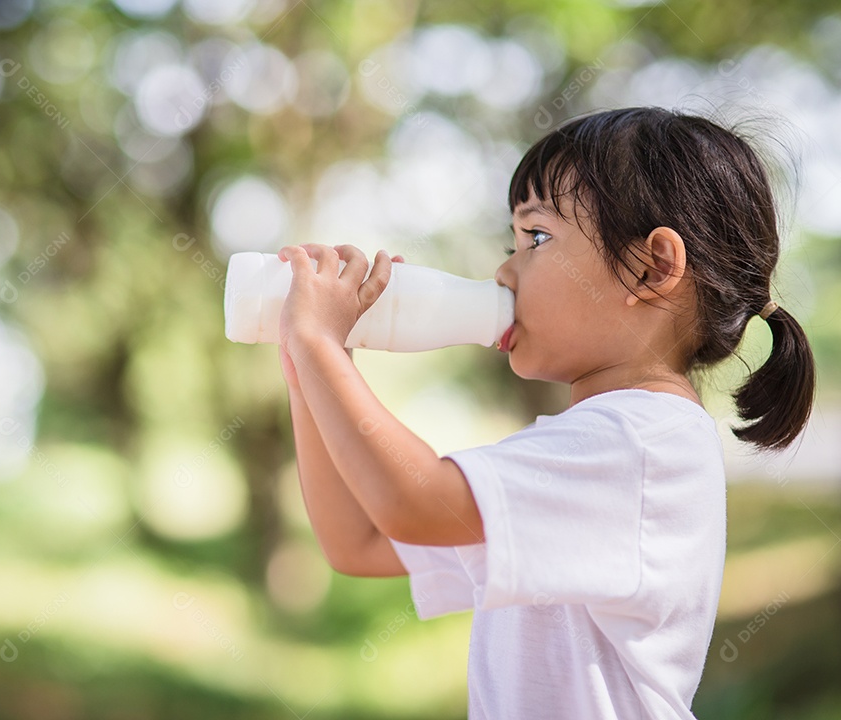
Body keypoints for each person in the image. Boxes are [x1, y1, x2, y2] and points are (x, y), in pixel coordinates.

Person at [276, 107, 816, 719]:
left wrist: (322, 348)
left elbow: (415, 503)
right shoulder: (591, 446)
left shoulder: (640, 445)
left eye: (535, 238)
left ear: (652, 267)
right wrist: (308, 371)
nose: (504, 270)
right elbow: (362, 542)